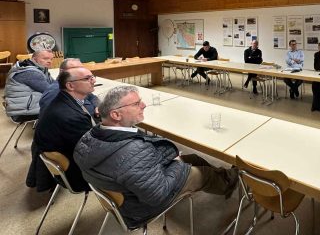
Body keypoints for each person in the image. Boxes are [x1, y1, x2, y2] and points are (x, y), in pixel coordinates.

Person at [74, 86, 238, 228]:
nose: (144, 105)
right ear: (116, 115)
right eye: (136, 104)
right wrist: (177, 162)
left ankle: (224, 177)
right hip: (140, 208)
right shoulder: (133, 151)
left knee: (194, 158)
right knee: (204, 173)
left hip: (127, 192)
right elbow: (158, 195)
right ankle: (230, 181)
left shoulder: (88, 138)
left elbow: (134, 166)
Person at [29, 67, 97, 192]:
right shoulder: (71, 117)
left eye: (92, 77)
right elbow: (92, 152)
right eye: (87, 78)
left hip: (71, 158)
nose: (93, 80)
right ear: (70, 86)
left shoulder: (64, 100)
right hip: (79, 174)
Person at [4, 49, 54, 120]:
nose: (49, 61)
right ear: (34, 59)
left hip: (26, 107)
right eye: (45, 58)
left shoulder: (40, 68)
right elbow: (50, 91)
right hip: (22, 113)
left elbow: (54, 84)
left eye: (51, 59)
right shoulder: (31, 72)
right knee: (64, 108)